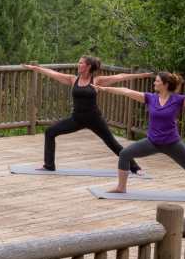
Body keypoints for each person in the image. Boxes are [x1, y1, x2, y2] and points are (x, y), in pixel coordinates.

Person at [93, 72, 185, 200]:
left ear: (165, 84)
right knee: (125, 154)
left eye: (157, 81)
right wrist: (104, 88)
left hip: (172, 143)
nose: (154, 83)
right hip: (152, 142)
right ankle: (121, 187)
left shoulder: (178, 100)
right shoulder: (150, 98)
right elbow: (126, 91)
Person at [23, 57, 152, 173]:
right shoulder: (73, 80)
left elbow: (120, 77)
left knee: (112, 143)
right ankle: (49, 165)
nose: (78, 65)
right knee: (50, 132)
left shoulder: (97, 80)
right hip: (76, 119)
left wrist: (141, 75)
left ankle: (135, 167)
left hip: (94, 119)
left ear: (88, 66)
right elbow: (53, 73)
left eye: (80, 63)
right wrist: (35, 68)